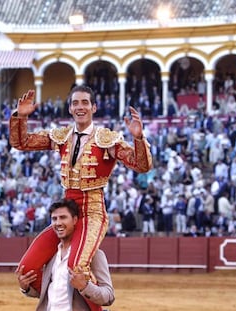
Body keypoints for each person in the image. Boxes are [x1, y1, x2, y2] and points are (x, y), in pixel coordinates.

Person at [10, 85, 151, 310]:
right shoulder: (62, 136)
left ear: (93, 107)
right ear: (70, 108)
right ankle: (54, 301)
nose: (80, 107)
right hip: (67, 213)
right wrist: (20, 116)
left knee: (77, 268)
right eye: (75, 103)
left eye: (85, 102)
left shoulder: (107, 139)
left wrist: (138, 138)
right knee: (27, 267)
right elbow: (21, 143)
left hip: (92, 213)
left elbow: (142, 165)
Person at [16, 199, 114, 311]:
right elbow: (51, 294)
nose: (58, 223)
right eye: (54, 219)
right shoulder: (51, 256)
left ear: (75, 220)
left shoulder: (93, 254)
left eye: (63, 217)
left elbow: (108, 296)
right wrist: (26, 288)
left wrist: (85, 286)